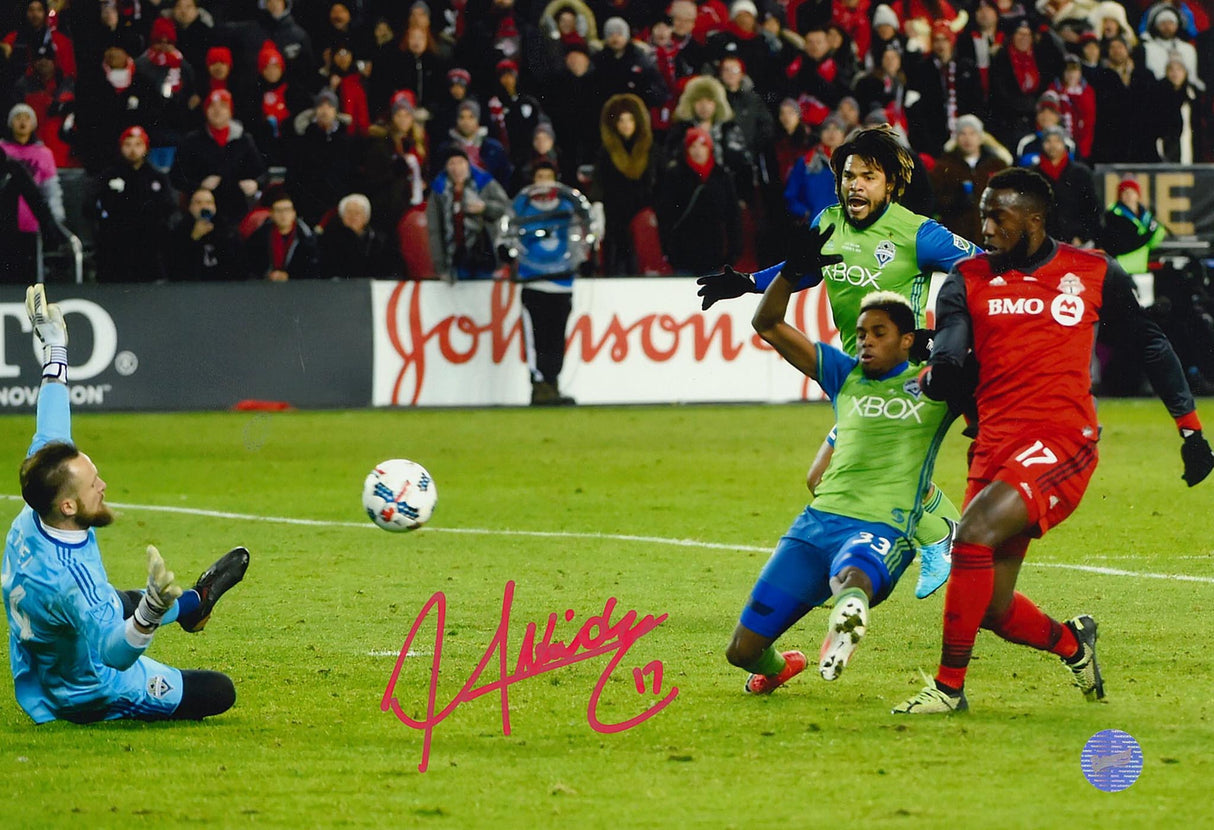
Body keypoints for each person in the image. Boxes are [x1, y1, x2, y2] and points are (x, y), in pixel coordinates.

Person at [893, 168, 1214, 714]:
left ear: (1034, 221)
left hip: (1062, 440)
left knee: (968, 534)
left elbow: (1151, 345)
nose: (985, 227)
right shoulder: (965, 279)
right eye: (983, 214)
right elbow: (949, 351)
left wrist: (1191, 431)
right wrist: (938, 371)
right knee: (992, 609)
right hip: (993, 444)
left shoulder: (1091, 271)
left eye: (999, 216)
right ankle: (1074, 644)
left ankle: (948, 690)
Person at [697, 125, 980, 599]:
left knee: (843, 475)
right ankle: (944, 535)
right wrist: (747, 282)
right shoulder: (829, 223)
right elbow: (803, 268)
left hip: (900, 375)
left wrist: (947, 334)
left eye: (868, 176)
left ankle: (936, 538)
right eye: (849, 175)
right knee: (829, 478)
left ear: (890, 184)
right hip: (853, 375)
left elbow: (980, 271)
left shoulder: (918, 234)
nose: (855, 185)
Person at [3, 285, 250, 724]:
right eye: (92, 484)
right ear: (68, 508)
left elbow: (53, 418)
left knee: (117, 599)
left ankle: (197, 604)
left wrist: (55, 347)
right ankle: (190, 604)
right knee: (218, 690)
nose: (103, 484)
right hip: (89, 690)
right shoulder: (73, 580)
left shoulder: (36, 503)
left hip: (38, 665)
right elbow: (115, 654)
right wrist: (150, 615)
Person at [728, 283, 961, 693]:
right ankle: (782, 666)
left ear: (907, 340)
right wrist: (790, 275)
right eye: (861, 333)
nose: (865, 341)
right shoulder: (844, 374)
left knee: (852, 578)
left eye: (879, 333)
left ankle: (848, 615)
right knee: (742, 652)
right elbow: (766, 324)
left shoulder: (934, 387)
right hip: (814, 526)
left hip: (884, 526)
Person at [501, 169, 595, 405]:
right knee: (535, 337)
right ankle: (539, 384)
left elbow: (584, 233)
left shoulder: (568, 205)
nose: (543, 182)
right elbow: (505, 237)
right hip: (533, 280)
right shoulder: (521, 205)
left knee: (556, 337)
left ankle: (552, 384)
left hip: (562, 282)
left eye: (548, 177)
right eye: (539, 177)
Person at [89, 125, 178, 283]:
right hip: (114, 247)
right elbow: (90, 206)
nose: (133, 150)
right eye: (128, 144)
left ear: (146, 147)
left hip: (150, 248)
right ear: (121, 147)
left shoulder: (157, 178)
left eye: (138, 144)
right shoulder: (108, 176)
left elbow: (168, 208)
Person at [171, 89, 267, 226]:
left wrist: (256, 184)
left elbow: (262, 173)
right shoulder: (191, 141)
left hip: (237, 210)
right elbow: (176, 177)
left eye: (222, 106)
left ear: (230, 110)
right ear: (205, 110)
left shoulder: (244, 139)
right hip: (202, 212)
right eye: (212, 106)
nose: (217, 111)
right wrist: (199, 186)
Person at [426, 146, 512, 281]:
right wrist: (440, 267)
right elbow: (434, 230)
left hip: (485, 253)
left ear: (467, 163)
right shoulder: (438, 190)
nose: (457, 168)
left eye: (460, 162)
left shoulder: (484, 181)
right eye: (451, 163)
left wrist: (485, 208)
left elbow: (505, 207)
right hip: (455, 257)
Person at [166, 187, 246, 282]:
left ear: (215, 207)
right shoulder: (180, 231)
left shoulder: (226, 229)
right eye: (198, 203)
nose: (204, 207)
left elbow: (238, 266)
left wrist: (222, 239)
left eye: (209, 202)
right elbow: (175, 269)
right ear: (190, 207)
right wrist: (193, 238)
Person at [317, 193, 399, 278]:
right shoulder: (329, 240)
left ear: (366, 218)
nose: (352, 217)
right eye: (348, 212)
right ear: (341, 217)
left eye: (357, 213)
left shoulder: (380, 240)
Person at [245, 188, 319, 281]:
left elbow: (311, 269)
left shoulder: (306, 237)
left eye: (287, 210)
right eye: (278, 210)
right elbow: (251, 265)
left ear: (293, 213)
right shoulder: (259, 236)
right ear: (271, 214)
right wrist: (268, 275)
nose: (283, 215)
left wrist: (289, 276)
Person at [1099, 178, 1166, 276]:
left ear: (1138, 195)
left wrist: (1156, 231)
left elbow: (1153, 242)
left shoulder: (1146, 216)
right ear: (1120, 196)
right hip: (1120, 269)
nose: (1129, 196)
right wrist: (1150, 233)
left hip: (1141, 268)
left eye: (1132, 192)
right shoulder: (1114, 215)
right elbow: (1126, 243)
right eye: (1125, 193)